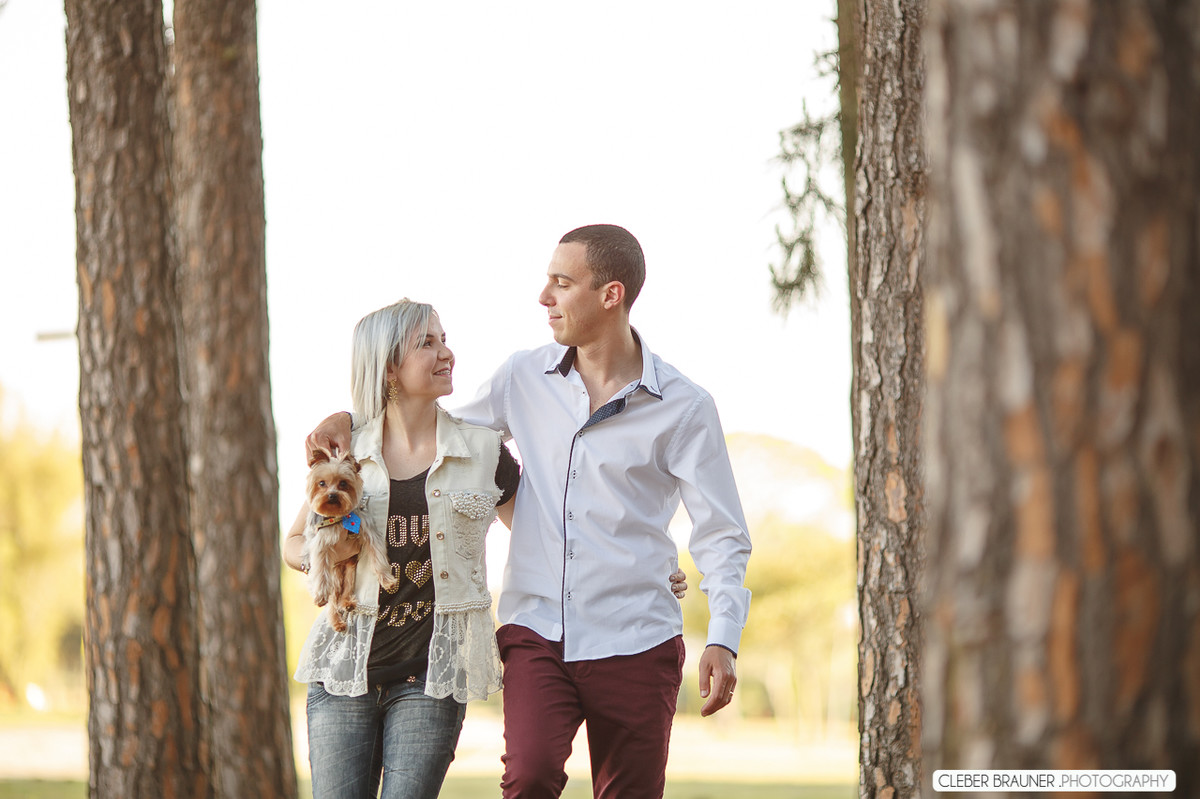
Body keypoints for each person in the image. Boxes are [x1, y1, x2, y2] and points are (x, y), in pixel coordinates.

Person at [309, 224, 750, 799]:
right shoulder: (523, 376)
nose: (544, 297)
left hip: (637, 633)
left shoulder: (685, 408)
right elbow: (433, 432)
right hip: (537, 629)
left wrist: (723, 636)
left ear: (610, 295)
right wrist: (351, 419)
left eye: (561, 284)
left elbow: (721, 533)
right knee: (529, 778)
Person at [284, 299, 519, 799]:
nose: (446, 352)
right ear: (390, 366)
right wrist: (328, 554)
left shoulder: (483, 451)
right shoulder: (348, 454)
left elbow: (546, 540)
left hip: (430, 679)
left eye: (444, 339)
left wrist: (649, 566)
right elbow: (293, 543)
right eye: (427, 343)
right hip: (344, 671)